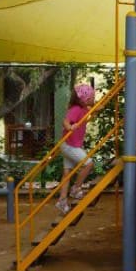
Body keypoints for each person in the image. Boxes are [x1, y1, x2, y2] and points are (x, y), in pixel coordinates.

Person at [57, 83, 96, 215]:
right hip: (69, 145)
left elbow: (89, 116)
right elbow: (65, 121)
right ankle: (76, 188)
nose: (93, 99)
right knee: (89, 164)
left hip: (70, 144)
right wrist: (69, 127)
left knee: (67, 173)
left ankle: (62, 200)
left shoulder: (84, 109)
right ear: (83, 99)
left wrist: (95, 109)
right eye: (91, 98)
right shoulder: (76, 109)